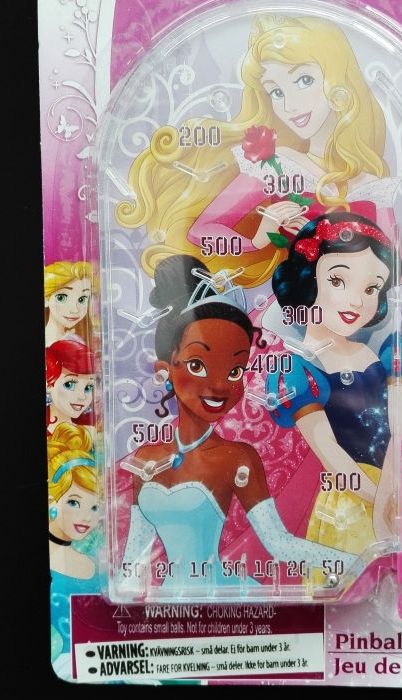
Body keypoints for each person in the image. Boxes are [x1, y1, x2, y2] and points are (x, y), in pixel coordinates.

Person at [119, 254, 359, 593]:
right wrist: (127, 603)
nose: (220, 386)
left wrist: (359, 565)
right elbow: (134, 559)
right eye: (198, 366)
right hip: (169, 600)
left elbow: (280, 544)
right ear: (165, 370)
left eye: (234, 371)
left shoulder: (237, 459)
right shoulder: (145, 459)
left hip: (226, 594)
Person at [116, 15, 400, 286]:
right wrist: (259, 238)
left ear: (338, 79)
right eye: (276, 92)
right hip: (291, 307)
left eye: (304, 80)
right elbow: (202, 230)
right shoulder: (276, 167)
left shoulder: (373, 184)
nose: (289, 105)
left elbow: (396, 272)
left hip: (358, 312)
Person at [265, 212, 402, 554]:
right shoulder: (298, 371)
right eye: (338, 281)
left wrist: (394, 494)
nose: (357, 301)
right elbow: (329, 450)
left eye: (371, 288)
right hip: (351, 498)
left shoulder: (384, 353)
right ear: (307, 279)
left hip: (400, 486)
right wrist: (378, 501)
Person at [48, 422, 101, 655]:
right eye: (73, 502)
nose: (86, 517)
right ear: (52, 499)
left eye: (95, 507)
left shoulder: (95, 563)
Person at [45, 339, 96, 435]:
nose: (82, 396)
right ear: (49, 383)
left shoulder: (90, 429)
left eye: (88, 387)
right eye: (69, 385)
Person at [44, 260, 95, 346]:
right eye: (61, 298)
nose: (75, 310)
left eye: (82, 299)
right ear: (46, 300)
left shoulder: (76, 340)